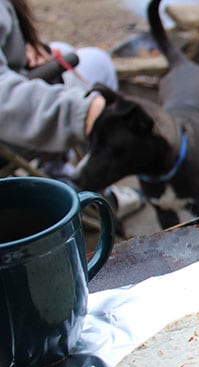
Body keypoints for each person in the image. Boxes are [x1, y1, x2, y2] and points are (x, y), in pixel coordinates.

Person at [0, 0, 143, 218]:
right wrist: (82, 112)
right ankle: (81, 188)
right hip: (8, 130)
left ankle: (56, 171)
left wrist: (22, 47)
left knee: (64, 51)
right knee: (98, 63)